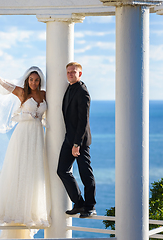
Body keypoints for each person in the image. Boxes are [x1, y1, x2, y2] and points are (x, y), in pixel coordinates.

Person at [0, 66, 51, 238]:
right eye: (31, 80)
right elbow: (4, 83)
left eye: (36, 80)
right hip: (22, 136)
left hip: (37, 137)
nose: (34, 83)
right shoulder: (22, 93)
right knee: (19, 171)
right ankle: (16, 211)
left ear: (40, 81)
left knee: (34, 174)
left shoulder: (44, 95)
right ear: (27, 80)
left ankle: (30, 211)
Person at [57, 62, 96, 218]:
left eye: (73, 72)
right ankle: (79, 203)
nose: (70, 74)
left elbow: (83, 122)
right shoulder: (69, 87)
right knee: (62, 171)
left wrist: (76, 145)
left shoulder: (83, 92)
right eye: (68, 72)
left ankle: (90, 206)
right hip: (69, 138)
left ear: (80, 74)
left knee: (86, 173)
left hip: (79, 141)